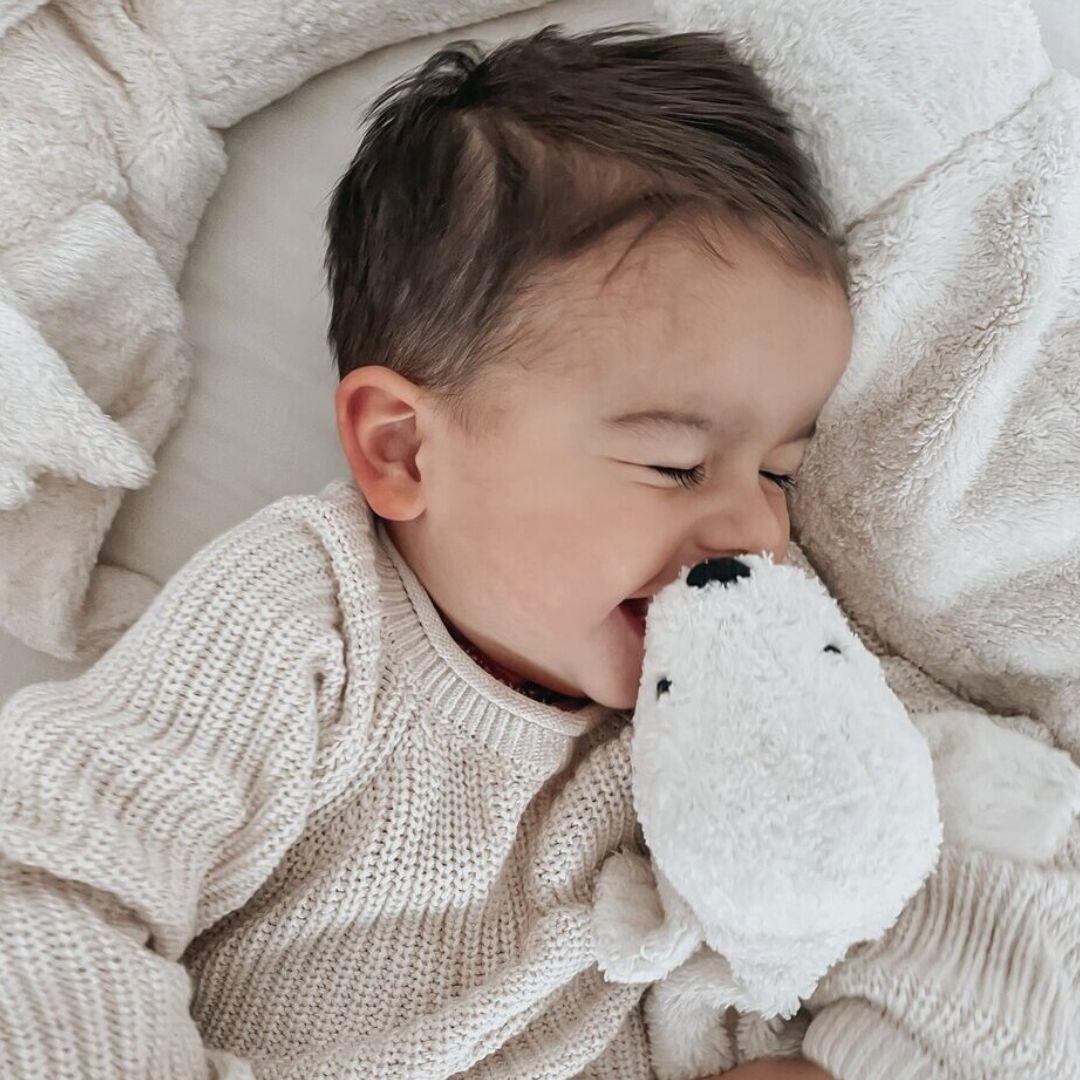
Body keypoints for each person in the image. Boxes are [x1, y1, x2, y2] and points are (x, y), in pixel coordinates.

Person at [0, 22, 949, 1079]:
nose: (757, 531)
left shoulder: (772, 649)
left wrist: (858, 1059)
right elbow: (44, 883)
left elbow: (982, 832)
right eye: (675, 466)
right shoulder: (304, 619)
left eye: (779, 472)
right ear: (405, 449)